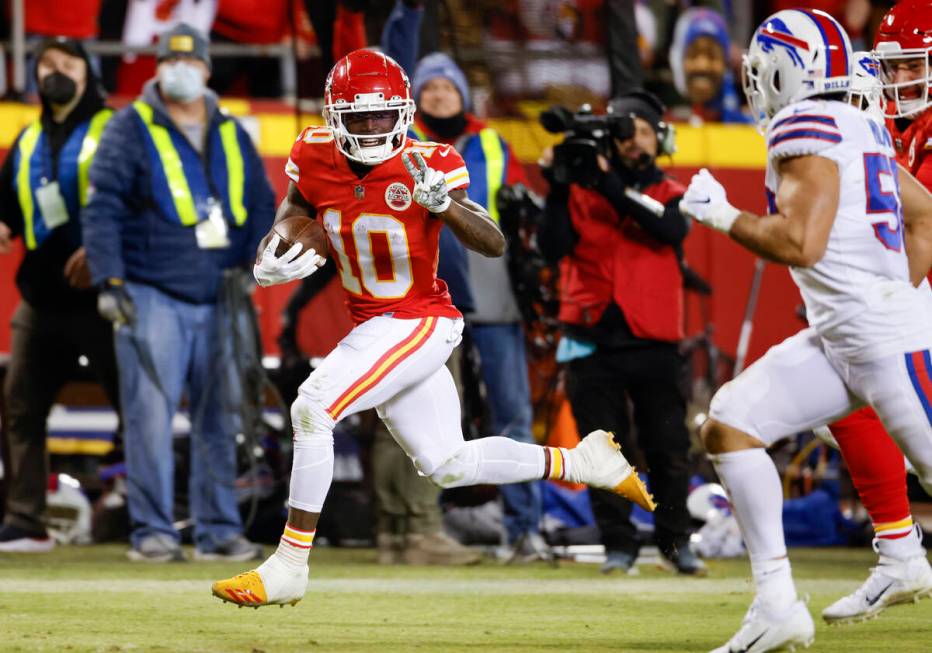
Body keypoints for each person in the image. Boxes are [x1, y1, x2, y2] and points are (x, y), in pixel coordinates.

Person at [211, 49, 654, 608]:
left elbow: (492, 242)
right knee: (449, 464)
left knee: (312, 407)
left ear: (403, 112)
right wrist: (273, 248)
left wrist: (445, 206)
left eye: (381, 116)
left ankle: (289, 564)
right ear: (333, 116)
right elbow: (296, 205)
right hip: (373, 323)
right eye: (358, 117)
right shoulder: (313, 151)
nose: (371, 128)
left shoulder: (431, 161)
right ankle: (583, 461)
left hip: (419, 318)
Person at [679, 9, 932, 652]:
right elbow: (924, 215)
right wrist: (895, 287)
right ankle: (775, 604)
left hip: (882, 340)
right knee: (729, 421)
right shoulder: (864, 123)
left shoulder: (804, 122)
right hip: (843, 335)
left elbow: (800, 242)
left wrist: (719, 214)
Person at [82, 24, 274, 562]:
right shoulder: (129, 128)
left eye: (190, 61)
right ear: (158, 67)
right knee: (149, 419)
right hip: (151, 293)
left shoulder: (233, 131)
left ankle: (218, 529)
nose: (180, 69)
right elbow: (102, 209)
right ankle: (153, 533)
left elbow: (263, 203)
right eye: (169, 60)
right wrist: (110, 280)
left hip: (225, 292)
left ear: (208, 70)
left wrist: (257, 264)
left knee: (222, 418)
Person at [537, 90, 700, 575]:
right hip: (591, 337)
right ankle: (619, 547)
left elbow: (671, 230)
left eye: (644, 131)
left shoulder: (671, 190)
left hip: (654, 339)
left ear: (660, 138)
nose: (634, 142)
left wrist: (607, 184)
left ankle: (677, 546)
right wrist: (560, 187)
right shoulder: (582, 190)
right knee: (602, 454)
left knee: (668, 449)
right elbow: (551, 247)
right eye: (625, 132)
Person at [815, 17, 932, 624]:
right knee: (844, 393)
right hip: (915, 298)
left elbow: (922, 224)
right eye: (893, 65)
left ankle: (900, 552)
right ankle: (899, 551)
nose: (900, 78)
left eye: (913, 64)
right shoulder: (902, 127)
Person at [0, 37, 119, 553]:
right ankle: (26, 520)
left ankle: (152, 516)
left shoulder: (115, 130)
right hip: (42, 296)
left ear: (88, 73)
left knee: (138, 409)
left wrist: (103, 252)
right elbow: (10, 203)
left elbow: (136, 201)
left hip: (105, 295)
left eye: (68, 64)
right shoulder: (25, 139)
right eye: (47, 63)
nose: (56, 72)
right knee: (20, 407)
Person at [668, 7, 751, 124]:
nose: (702, 66)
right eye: (693, 55)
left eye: (712, 56)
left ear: (726, 62)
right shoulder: (669, 126)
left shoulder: (750, 127)